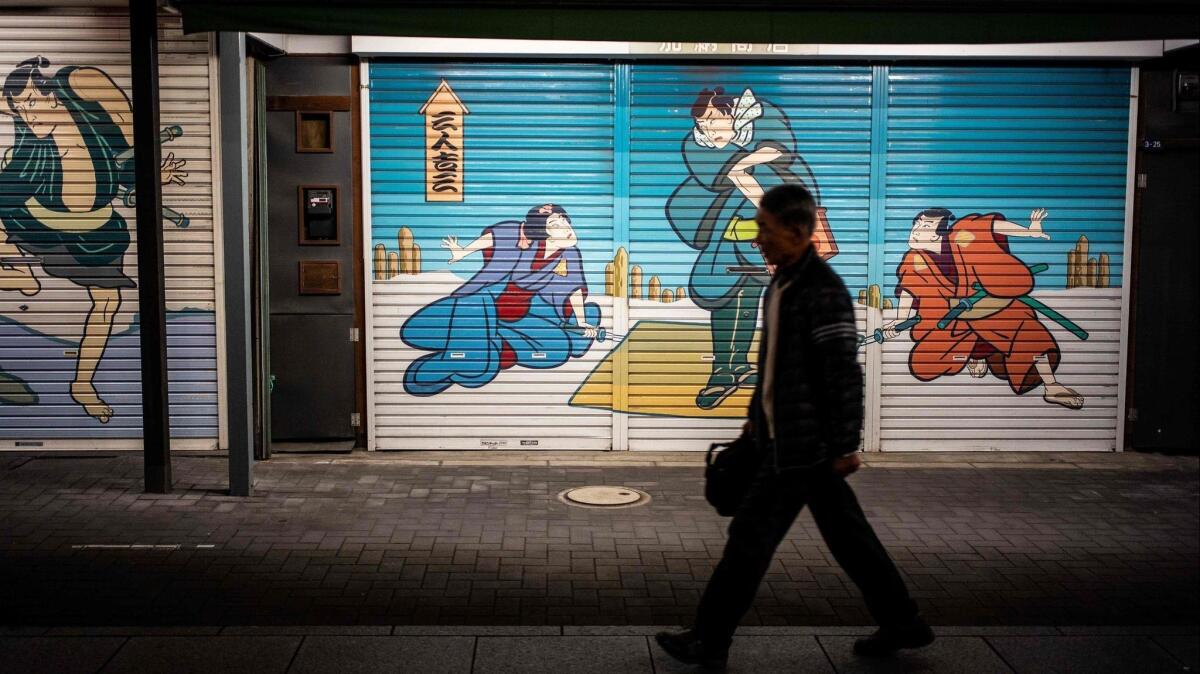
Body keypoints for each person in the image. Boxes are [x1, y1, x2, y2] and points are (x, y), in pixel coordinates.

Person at [656, 184, 933, 669]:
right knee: (851, 539)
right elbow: (772, 370)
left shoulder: (822, 290)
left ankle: (709, 638)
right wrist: (752, 428)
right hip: (784, 441)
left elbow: (842, 371)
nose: (758, 237)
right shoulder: (781, 283)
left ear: (799, 231)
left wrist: (846, 444)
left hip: (803, 449)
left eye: (766, 229)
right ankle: (903, 621)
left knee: (749, 541)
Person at [0, 57, 186, 422]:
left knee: (108, 302)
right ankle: (18, 272)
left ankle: (81, 383)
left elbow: (130, 159)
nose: (28, 117)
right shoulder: (30, 153)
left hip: (94, 230)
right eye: (20, 111)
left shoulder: (87, 111)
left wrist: (155, 176)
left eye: (31, 104)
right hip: (39, 220)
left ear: (50, 95)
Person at [665, 86, 836, 410]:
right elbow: (722, 174)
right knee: (726, 297)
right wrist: (744, 167)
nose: (707, 130)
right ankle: (723, 370)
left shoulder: (761, 115)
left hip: (764, 237)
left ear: (732, 113)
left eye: (713, 120)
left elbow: (778, 150)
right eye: (701, 123)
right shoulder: (696, 143)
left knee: (750, 298)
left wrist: (745, 163)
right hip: (728, 234)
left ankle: (740, 365)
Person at [883, 208, 1084, 409]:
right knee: (924, 362)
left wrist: (1029, 231)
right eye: (916, 224)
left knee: (1029, 335)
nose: (916, 230)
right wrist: (900, 319)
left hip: (991, 307)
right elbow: (909, 288)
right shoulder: (914, 259)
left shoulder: (963, 234)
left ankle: (1051, 386)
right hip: (954, 320)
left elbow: (989, 226)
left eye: (925, 226)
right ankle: (976, 355)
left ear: (940, 233)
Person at [400, 203, 601, 396]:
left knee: (556, 351)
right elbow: (496, 237)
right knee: (416, 331)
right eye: (555, 225)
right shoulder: (524, 241)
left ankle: (484, 352)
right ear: (542, 231)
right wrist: (464, 251)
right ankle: (474, 357)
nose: (566, 228)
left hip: (518, 317)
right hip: (481, 303)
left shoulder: (570, 254)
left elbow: (573, 288)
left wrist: (582, 320)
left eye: (565, 221)